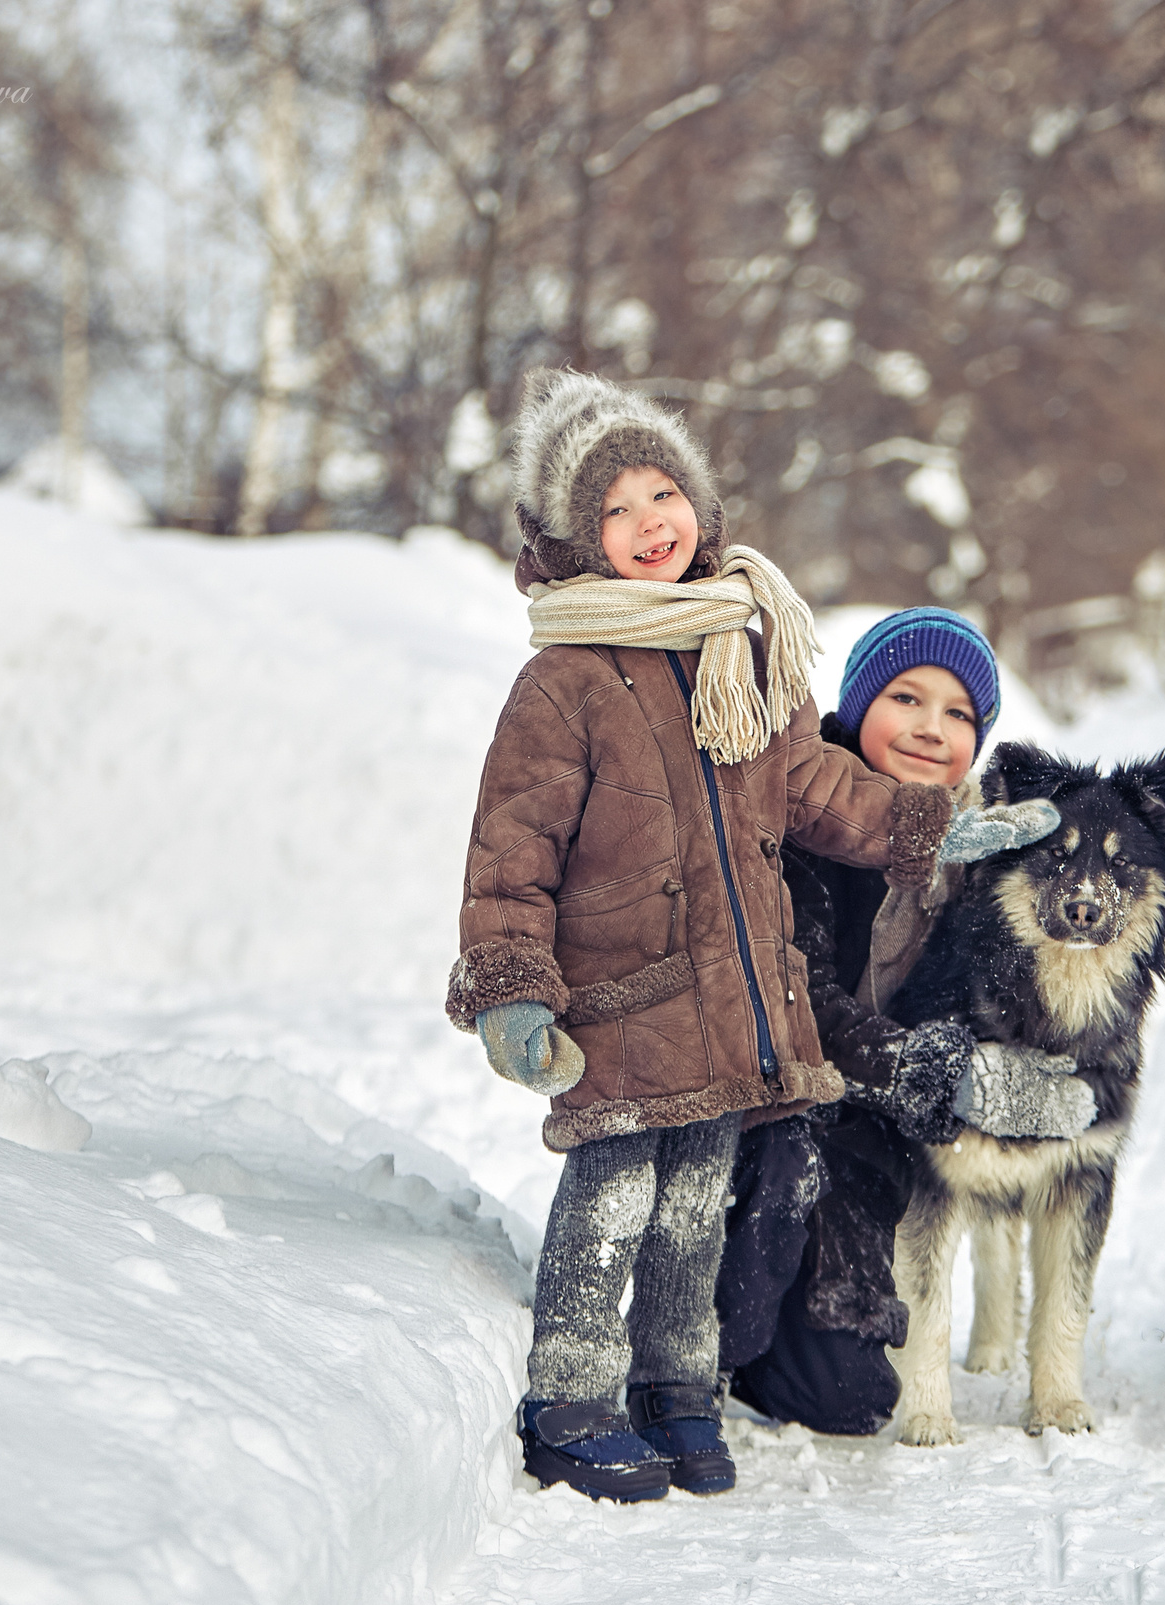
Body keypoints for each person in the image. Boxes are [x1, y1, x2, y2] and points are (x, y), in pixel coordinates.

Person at [445, 375, 1057, 1503]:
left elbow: (823, 790)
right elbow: (511, 848)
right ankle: (569, 1398)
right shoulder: (564, 681)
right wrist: (512, 989)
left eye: (663, 491)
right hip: (623, 1006)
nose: (648, 523)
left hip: (732, 1007)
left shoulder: (741, 660)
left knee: (689, 1221)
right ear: (580, 539)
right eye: (616, 508)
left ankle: (677, 1395)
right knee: (614, 1202)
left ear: (701, 508)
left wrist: (944, 827)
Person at [715, 608, 1100, 1436]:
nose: (933, 729)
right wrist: (938, 1074)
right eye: (907, 698)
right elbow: (798, 997)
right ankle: (695, 1331)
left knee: (849, 1398)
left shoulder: (980, 848)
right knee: (755, 1273)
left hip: (874, 1136)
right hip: (767, 1110)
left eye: (959, 713)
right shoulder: (797, 821)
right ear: (857, 709)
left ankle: (778, 1334)